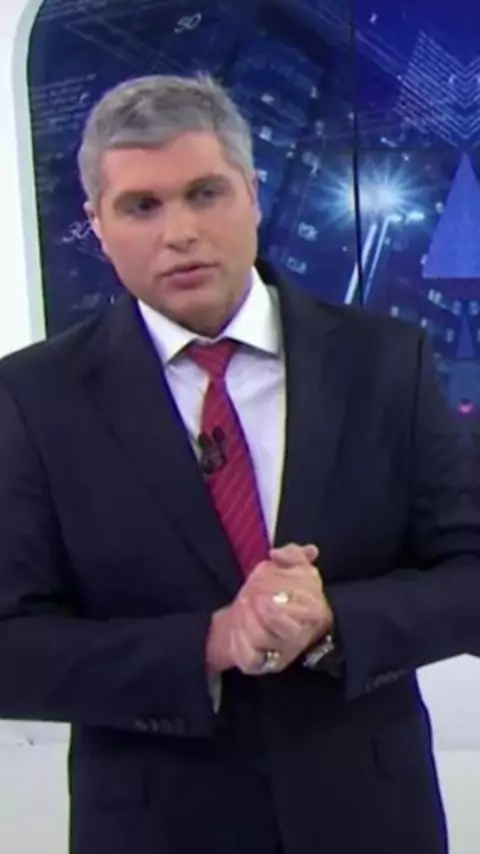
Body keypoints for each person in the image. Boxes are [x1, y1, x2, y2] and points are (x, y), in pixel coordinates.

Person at [0, 73, 477, 854]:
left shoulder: (386, 361)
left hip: (368, 820)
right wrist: (212, 641)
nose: (180, 232)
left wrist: (334, 620)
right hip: (156, 829)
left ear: (252, 194)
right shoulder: (32, 397)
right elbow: (11, 648)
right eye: (141, 206)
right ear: (97, 226)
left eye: (205, 193)